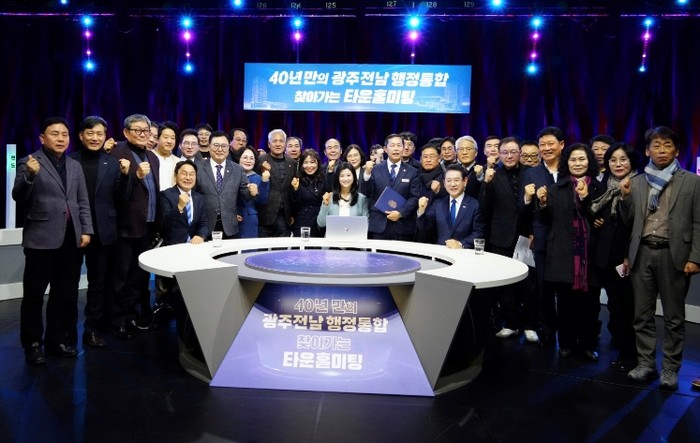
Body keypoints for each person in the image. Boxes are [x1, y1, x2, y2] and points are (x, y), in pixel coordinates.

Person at [619, 126, 700, 391]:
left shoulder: (692, 181)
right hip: (642, 253)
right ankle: (646, 364)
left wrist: (696, 257)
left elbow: (698, 222)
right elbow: (628, 223)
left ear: (676, 150)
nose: (662, 150)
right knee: (641, 315)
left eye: (667, 145)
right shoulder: (637, 182)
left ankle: (670, 369)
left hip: (674, 255)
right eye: (656, 145)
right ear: (647, 151)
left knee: (674, 318)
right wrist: (625, 198)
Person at [12, 117, 94, 364]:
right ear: (42, 138)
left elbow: (81, 201)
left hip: (71, 239)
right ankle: (32, 345)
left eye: (64, 134)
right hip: (41, 238)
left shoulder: (74, 165)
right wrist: (29, 175)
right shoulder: (29, 162)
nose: (60, 139)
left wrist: (86, 230)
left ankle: (56, 341)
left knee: (64, 295)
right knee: (34, 296)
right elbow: (18, 196)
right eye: (55, 134)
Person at [536, 143, 604, 362]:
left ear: (589, 161)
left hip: (590, 255)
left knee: (590, 304)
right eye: (573, 159)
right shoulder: (557, 188)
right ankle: (565, 343)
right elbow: (545, 220)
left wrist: (585, 198)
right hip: (563, 253)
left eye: (582, 159)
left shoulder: (599, 188)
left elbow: (601, 220)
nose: (577, 163)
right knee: (565, 303)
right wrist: (542, 203)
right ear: (567, 162)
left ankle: (588, 344)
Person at [70, 116, 131, 348]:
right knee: (68, 285)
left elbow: (121, 199)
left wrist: (125, 177)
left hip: (103, 232)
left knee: (98, 284)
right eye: (90, 133)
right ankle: (66, 332)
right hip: (73, 232)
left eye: (100, 134)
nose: (95, 138)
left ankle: (92, 329)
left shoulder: (112, 163)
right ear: (81, 135)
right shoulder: (70, 161)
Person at [479, 137, 539, 343]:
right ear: (498, 154)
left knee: (529, 284)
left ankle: (530, 325)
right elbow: (484, 207)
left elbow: (537, 208)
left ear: (520, 153)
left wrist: (533, 231)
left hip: (526, 236)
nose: (509, 156)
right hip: (500, 236)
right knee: (506, 285)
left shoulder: (531, 173)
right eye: (504, 152)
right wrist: (486, 183)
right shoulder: (493, 175)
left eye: (513, 152)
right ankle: (511, 324)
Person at [589, 142, 640, 372]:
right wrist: (597, 221)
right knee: (616, 307)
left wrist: (629, 256)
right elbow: (596, 214)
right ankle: (623, 352)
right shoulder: (605, 186)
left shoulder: (640, 185)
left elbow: (637, 225)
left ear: (632, 161)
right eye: (613, 160)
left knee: (629, 309)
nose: (618, 164)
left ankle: (632, 357)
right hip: (607, 257)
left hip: (628, 258)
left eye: (623, 159)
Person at [109, 114, 161, 339]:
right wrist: (137, 176)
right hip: (124, 226)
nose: (142, 134)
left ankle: (130, 314)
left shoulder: (152, 156)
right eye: (137, 130)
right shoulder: (114, 153)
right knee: (119, 277)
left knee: (137, 278)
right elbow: (114, 191)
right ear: (126, 132)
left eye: (146, 131)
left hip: (147, 226)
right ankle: (116, 320)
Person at [156, 160, 209, 353]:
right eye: (184, 173)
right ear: (176, 176)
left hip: (194, 252)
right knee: (175, 295)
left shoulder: (200, 198)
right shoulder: (166, 195)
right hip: (173, 250)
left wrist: (201, 235)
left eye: (191, 174)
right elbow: (163, 225)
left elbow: (204, 223)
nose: (188, 177)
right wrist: (179, 207)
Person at [520, 126, 566, 345]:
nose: (546, 148)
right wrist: (528, 199)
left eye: (550, 144)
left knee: (567, 289)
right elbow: (523, 210)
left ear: (561, 145)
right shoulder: (532, 173)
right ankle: (547, 331)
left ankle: (568, 336)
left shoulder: (571, 169)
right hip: (541, 237)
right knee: (543, 287)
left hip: (568, 238)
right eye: (543, 145)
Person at [362, 133, 422, 241]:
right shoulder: (375, 169)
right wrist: (366, 174)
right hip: (379, 226)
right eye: (392, 145)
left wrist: (400, 213)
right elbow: (367, 193)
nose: (396, 149)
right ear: (385, 149)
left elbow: (414, 197)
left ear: (403, 148)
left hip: (402, 226)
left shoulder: (412, 172)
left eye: (399, 145)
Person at [196, 131, 255, 239]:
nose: (220, 149)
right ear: (209, 147)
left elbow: (245, 195)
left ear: (228, 147)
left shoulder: (237, 169)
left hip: (230, 227)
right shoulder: (198, 168)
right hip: (204, 226)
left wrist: (252, 191)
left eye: (224, 146)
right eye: (216, 145)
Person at [417, 164, 485, 248]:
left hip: (464, 252)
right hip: (441, 252)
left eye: (456, 180)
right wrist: (421, 210)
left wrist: (460, 244)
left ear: (465, 181)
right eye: (448, 181)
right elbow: (424, 227)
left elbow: (479, 232)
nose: (452, 184)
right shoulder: (438, 203)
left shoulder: (474, 205)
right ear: (444, 183)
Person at [257, 129, 297, 237]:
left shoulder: (292, 163)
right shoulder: (260, 160)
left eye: (281, 141)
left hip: (284, 217)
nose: (278, 144)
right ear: (269, 144)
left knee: (282, 247)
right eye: (275, 141)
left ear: (285, 144)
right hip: (263, 216)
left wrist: (292, 213)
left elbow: (293, 190)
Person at [317, 162, 369, 227]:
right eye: (342, 176)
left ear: (354, 177)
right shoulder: (329, 197)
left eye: (348, 175)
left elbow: (366, 224)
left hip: (354, 233)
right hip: (334, 233)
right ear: (337, 178)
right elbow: (321, 224)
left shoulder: (362, 198)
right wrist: (325, 205)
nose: (345, 179)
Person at [290, 149, 326, 237]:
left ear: (318, 163)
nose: (309, 166)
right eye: (306, 162)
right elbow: (293, 206)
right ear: (301, 164)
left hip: (320, 223)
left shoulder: (324, 179)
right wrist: (295, 190)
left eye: (312, 162)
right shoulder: (297, 180)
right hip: (302, 223)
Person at [237, 147, 270, 238]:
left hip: (249, 219)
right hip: (230, 218)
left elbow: (262, 201)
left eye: (251, 158)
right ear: (238, 158)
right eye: (245, 157)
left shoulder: (258, 178)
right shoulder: (230, 175)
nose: (248, 161)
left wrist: (264, 182)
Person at [153, 121, 183, 190]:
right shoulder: (148, 157)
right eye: (166, 137)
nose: (169, 141)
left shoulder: (179, 162)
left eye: (173, 138)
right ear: (157, 139)